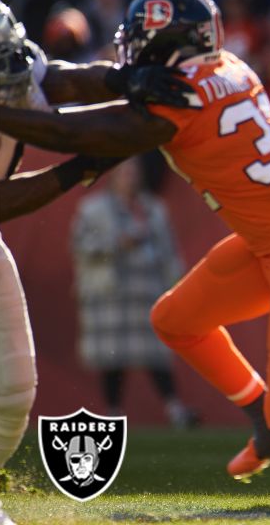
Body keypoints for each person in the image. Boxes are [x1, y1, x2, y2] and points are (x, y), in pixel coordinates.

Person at [0, 0, 270, 525]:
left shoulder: (173, 106)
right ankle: (260, 418)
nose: (134, 52)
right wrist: (120, 81)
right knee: (175, 320)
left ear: (170, 44)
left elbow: (67, 131)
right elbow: (86, 104)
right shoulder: (227, 66)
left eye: (144, 42)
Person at [0, 0, 188, 525]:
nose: (7, 70)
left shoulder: (9, 65)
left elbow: (53, 78)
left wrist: (123, 80)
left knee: (11, 389)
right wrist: (80, 169)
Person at [71, 158, 197, 428]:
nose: (129, 177)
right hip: (110, 291)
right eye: (124, 172)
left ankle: (174, 408)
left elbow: (169, 251)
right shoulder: (94, 210)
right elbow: (81, 246)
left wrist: (177, 286)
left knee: (156, 352)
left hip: (147, 290)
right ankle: (113, 411)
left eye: (133, 172)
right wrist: (116, 243)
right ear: (113, 176)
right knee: (112, 355)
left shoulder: (153, 209)